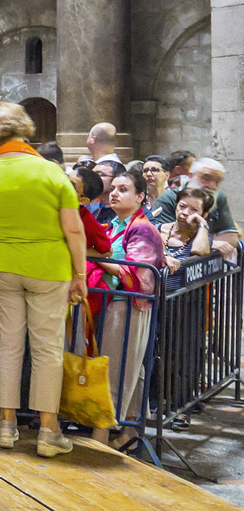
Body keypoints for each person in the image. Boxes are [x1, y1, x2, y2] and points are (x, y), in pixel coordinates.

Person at [0, 102, 86, 458]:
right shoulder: (51, 173)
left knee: (8, 344)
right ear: (25, 129)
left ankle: (6, 424)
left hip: (2, 266)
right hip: (49, 267)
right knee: (47, 348)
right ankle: (48, 430)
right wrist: (80, 274)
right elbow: (74, 230)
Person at [92, 165, 165, 439]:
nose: (114, 194)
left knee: (117, 369)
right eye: (113, 189)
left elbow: (138, 274)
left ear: (140, 197)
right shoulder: (115, 225)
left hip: (128, 305)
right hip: (115, 304)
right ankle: (130, 434)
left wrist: (94, 257)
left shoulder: (143, 229)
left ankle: (101, 433)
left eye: (123, 190)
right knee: (129, 366)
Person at [154, 158, 240, 260]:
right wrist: (210, 242)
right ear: (190, 176)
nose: (212, 186)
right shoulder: (169, 198)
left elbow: (231, 237)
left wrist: (205, 240)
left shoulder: (219, 196)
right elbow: (167, 238)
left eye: (217, 181)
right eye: (206, 179)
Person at [159, 184, 214, 267]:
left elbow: (199, 250)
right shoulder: (156, 230)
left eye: (194, 210)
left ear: (204, 214)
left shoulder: (202, 236)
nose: (185, 212)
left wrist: (203, 224)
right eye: (182, 206)